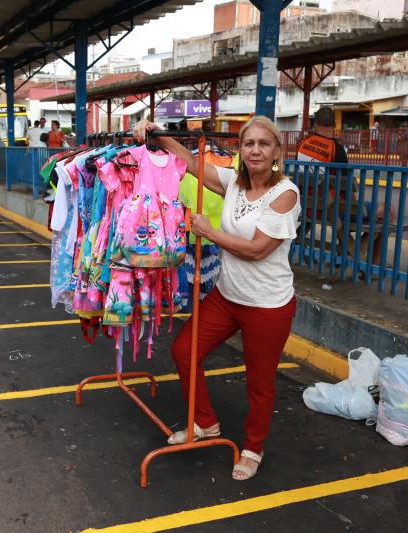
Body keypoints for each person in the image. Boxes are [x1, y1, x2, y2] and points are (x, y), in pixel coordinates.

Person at [133, 116, 300, 481]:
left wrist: (209, 231)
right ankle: (206, 424)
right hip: (228, 296)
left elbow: (257, 250)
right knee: (184, 351)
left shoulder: (285, 193)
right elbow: (193, 164)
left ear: (276, 151)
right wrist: (158, 134)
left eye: (263, 143)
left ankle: (254, 447)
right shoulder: (235, 184)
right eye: (248, 143)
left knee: (259, 382)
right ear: (240, 150)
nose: (255, 150)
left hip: (267, 305)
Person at [296, 107, 391, 269]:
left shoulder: (302, 145)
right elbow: (347, 188)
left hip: (307, 207)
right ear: (334, 125)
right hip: (332, 211)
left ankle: (345, 252)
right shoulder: (337, 150)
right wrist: (356, 208)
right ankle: (375, 263)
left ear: (315, 124)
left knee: (332, 203)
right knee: (388, 210)